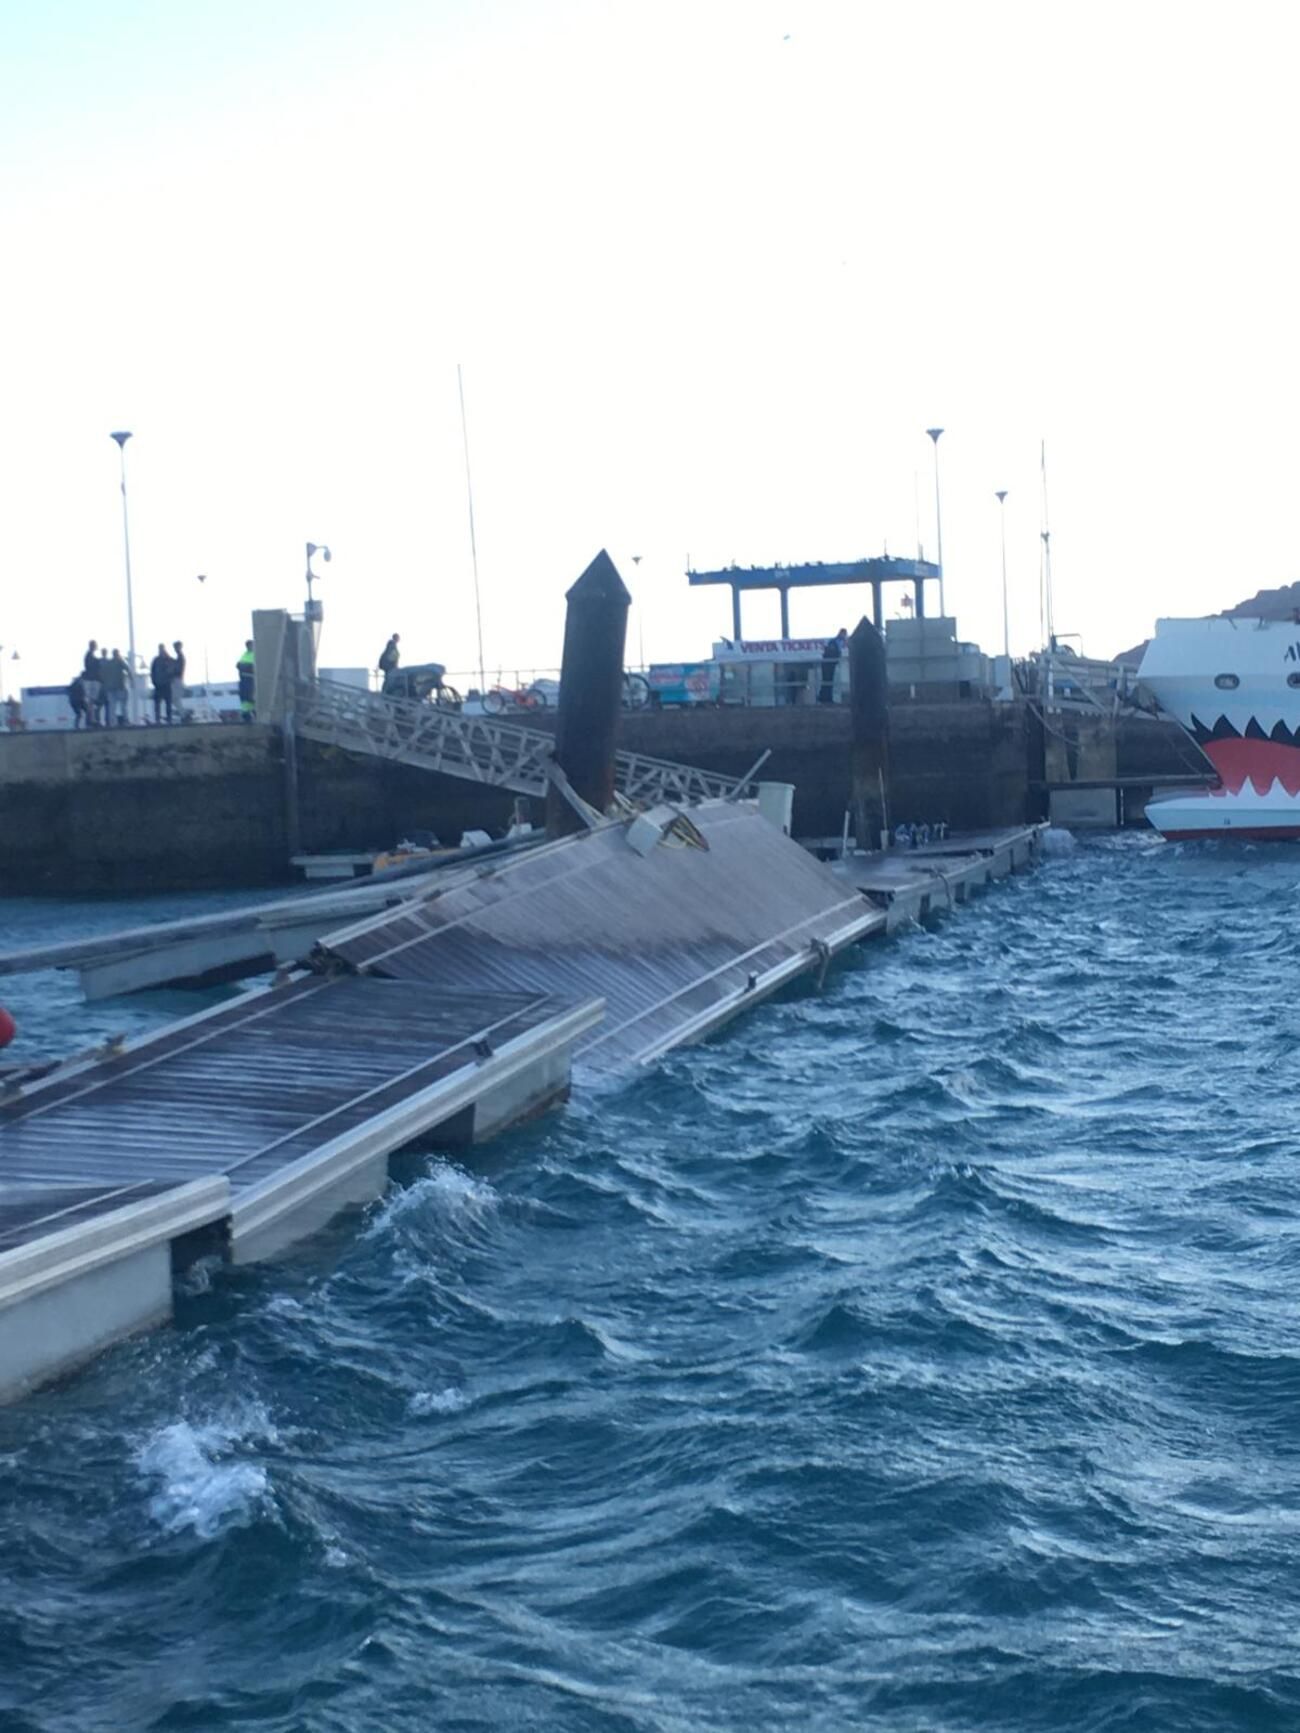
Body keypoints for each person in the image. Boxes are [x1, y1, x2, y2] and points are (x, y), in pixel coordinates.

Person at [818, 627, 848, 704]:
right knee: (827, 680)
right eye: (844, 634)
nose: (845, 636)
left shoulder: (838, 642)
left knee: (829, 681)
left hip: (831, 664)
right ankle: (824, 698)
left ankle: (826, 698)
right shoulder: (833, 642)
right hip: (828, 664)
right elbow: (830, 652)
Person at [101, 647, 129, 726]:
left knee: (112, 707)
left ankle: (112, 722)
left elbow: (102, 674)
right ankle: (125, 720)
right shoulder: (120, 661)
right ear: (117, 654)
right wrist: (131, 680)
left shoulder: (108, 663)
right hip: (120, 687)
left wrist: (105, 684)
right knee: (123, 705)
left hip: (110, 688)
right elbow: (127, 669)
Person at [149, 642, 175, 724]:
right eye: (160, 649)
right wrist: (153, 681)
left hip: (166, 684)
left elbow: (172, 669)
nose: (161, 650)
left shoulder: (168, 659)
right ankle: (158, 719)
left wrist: (171, 679)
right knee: (157, 703)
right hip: (158, 685)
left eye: (162, 649)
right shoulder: (156, 660)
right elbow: (152, 671)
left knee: (168, 703)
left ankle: (169, 719)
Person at [82, 640, 102, 727]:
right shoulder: (90, 656)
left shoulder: (89, 655)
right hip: (91, 679)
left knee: (91, 701)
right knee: (91, 700)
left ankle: (92, 718)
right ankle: (91, 719)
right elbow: (91, 666)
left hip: (90, 679)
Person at [237, 640, 255, 720]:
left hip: (251, 679)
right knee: (245, 697)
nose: (248, 647)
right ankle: (246, 713)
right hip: (245, 679)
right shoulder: (245, 654)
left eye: (250, 645)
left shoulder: (255, 654)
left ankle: (252, 712)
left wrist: (244, 666)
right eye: (247, 645)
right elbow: (239, 664)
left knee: (251, 697)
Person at [170, 640, 187, 720]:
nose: (174, 649)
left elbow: (177, 669)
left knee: (175, 698)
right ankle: (183, 714)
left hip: (177, 679)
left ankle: (183, 714)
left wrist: (171, 668)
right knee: (175, 699)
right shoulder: (180, 657)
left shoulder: (180, 657)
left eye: (175, 647)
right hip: (178, 679)